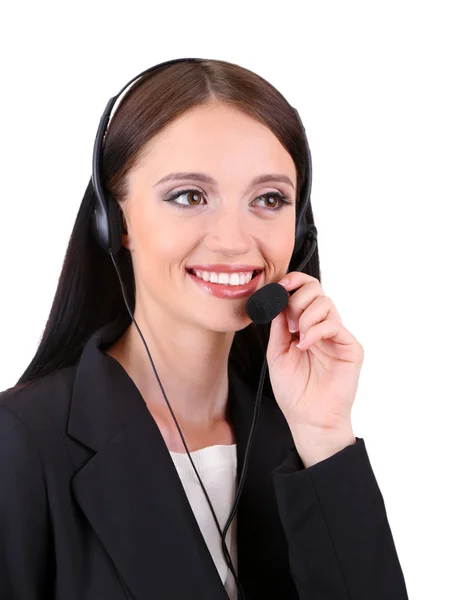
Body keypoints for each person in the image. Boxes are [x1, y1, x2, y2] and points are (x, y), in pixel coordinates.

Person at [0, 58, 409, 599]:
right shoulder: (21, 444)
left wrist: (325, 436)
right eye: (189, 196)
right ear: (115, 222)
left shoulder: (294, 436)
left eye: (269, 199)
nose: (235, 241)